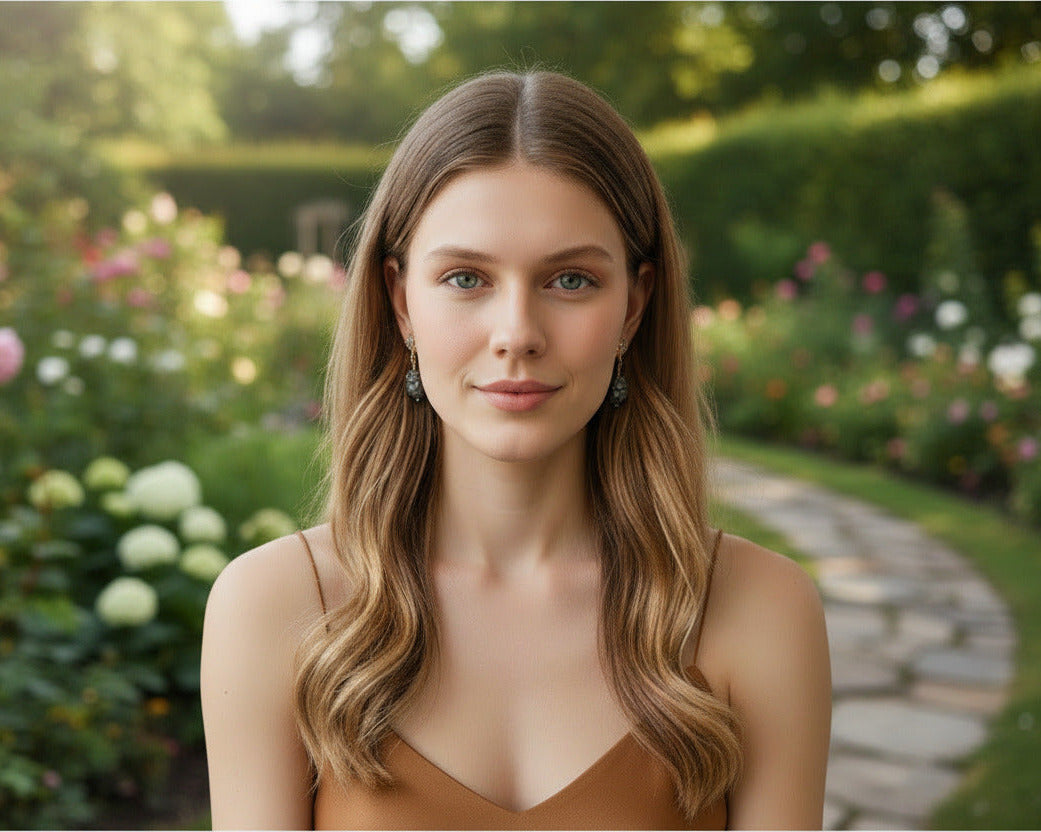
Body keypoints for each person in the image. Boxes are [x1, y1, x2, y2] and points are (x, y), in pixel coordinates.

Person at [201, 70, 831, 830]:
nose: (516, 333)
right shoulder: (276, 607)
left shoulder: (758, 610)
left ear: (634, 304)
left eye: (569, 280)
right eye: (465, 277)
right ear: (401, 302)